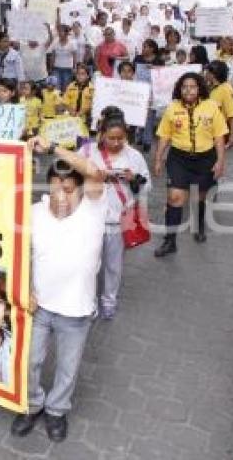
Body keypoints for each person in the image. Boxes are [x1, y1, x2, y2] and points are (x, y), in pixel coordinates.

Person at [11, 139, 106, 443]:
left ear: (80, 190)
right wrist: (25, 288)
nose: (61, 196)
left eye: (68, 189)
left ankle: (56, 411)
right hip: (38, 308)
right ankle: (31, 404)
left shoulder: (93, 208)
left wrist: (52, 147)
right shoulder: (35, 213)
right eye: (55, 188)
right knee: (30, 361)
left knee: (67, 368)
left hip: (76, 311)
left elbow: (93, 171)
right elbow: (21, 255)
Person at [84, 109, 150, 319]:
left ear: (127, 136)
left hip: (118, 221)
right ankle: (89, 301)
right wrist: (93, 176)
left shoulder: (134, 156)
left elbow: (148, 187)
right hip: (91, 218)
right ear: (101, 134)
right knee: (90, 264)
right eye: (110, 138)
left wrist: (134, 179)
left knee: (113, 265)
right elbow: (70, 176)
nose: (115, 143)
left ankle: (109, 300)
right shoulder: (87, 151)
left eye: (120, 138)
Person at [153, 73, 228, 256]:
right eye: (184, 86)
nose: (188, 90)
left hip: (205, 159)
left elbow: (219, 136)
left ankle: (199, 225)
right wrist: (158, 159)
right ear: (179, 89)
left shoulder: (211, 107)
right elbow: (164, 136)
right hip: (179, 159)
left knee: (199, 197)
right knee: (175, 198)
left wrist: (220, 161)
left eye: (192, 86)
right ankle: (170, 241)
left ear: (199, 88)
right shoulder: (172, 108)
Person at [205, 60, 233, 148]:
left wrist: (232, 136)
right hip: (208, 130)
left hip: (220, 131)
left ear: (214, 74)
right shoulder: (210, 87)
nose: (206, 74)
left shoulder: (226, 89)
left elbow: (232, 115)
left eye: (208, 72)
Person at [0, 32, 25, 102]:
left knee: (11, 105)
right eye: (4, 41)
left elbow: (20, 71)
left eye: (8, 41)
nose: (7, 44)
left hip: (10, 83)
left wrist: (21, 87)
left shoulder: (15, 54)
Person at [62, 64, 94, 131]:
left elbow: (92, 104)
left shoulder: (92, 88)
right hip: (71, 114)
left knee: (83, 134)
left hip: (85, 116)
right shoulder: (71, 86)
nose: (80, 76)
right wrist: (71, 110)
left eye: (83, 74)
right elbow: (65, 101)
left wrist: (82, 112)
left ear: (88, 76)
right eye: (78, 74)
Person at [48, 24, 78, 91]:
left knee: (65, 87)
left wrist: (74, 68)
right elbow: (53, 55)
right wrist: (50, 67)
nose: (59, 33)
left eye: (61, 31)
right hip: (56, 68)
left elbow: (75, 56)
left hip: (68, 68)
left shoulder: (72, 43)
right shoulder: (55, 42)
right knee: (56, 87)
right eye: (59, 31)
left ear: (66, 33)